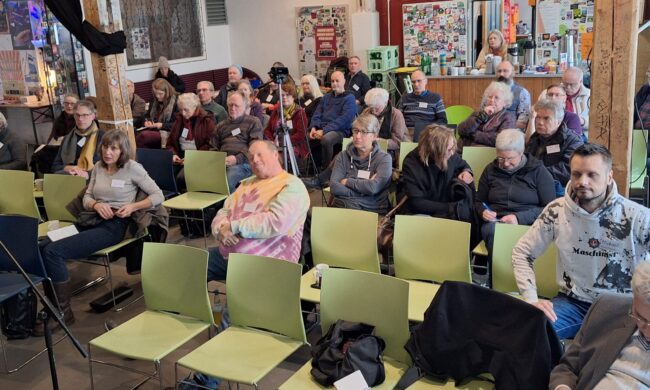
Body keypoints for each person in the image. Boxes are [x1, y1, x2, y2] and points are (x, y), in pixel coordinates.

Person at [512, 143, 650, 340]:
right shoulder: (556, 211)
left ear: (609, 177)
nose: (582, 182)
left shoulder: (637, 216)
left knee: (618, 357)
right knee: (528, 335)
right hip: (573, 303)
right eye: (577, 174)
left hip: (624, 306)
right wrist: (532, 299)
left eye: (592, 175)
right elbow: (522, 252)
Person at [38, 130, 164, 332]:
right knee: (43, 245)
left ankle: (63, 313)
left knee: (54, 252)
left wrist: (133, 207)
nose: (108, 152)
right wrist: (96, 205)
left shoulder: (133, 168)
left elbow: (158, 196)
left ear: (122, 150)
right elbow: (86, 198)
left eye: (113, 148)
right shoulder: (98, 167)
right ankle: (53, 308)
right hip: (91, 219)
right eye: (105, 147)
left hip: (115, 225)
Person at [207, 140, 309, 282]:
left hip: (267, 262)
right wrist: (221, 230)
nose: (255, 160)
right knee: (190, 264)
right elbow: (224, 211)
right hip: (230, 255)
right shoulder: (245, 183)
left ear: (275, 155)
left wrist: (234, 227)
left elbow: (275, 221)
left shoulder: (292, 186)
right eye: (251, 157)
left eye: (260, 155)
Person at [549, 260, 650, 390]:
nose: (647, 331)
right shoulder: (607, 310)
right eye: (640, 317)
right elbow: (568, 367)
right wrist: (562, 387)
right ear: (634, 298)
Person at [476, 129, 555, 265]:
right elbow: (478, 201)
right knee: (492, 231)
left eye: (510, 159)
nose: (505, 163)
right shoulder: (490, 170)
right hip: (497, 223)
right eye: (501, 158)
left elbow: (551, 208)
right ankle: (499, 276)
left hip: (528, 223)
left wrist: (519, 218)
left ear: (521, 152)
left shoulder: (538, 171)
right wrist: (483, 211)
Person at [399, 125, 474, 217]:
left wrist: (466, 172)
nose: (452, 153)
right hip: (423, 211)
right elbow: (417, 203)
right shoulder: (411, 163)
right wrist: (451, 208)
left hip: (447, 208)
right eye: (449, 150)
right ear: (436, 151)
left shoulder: (450, 153)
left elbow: (463, 164)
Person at [329, 113, 393, 214]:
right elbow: (334, 187)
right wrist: (363, 191)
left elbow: (373, 187)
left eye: (363, 132)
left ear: (374, 136)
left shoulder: (384, 159)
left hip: (373, 209)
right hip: (346, 205)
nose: (358, 136)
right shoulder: (343, 156)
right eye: (355, 131)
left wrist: (347, 182)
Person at [525, 99, 583, 196]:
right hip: (533, 185)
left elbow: (566, 170)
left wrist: (535, 174)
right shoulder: (535, 138)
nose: (540, 122)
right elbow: (526, 161)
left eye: (546, 118)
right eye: (538, 117)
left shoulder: (573, 141)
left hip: (560, 189)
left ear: (558, 122)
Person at [210, 91, 263, 193]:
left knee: (227, 181)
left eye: (236, 105)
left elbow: (254, 148)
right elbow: (213, 146)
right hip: (222, 163)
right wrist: (219, 160)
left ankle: (228, 207)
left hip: (244, 163)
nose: (233, 108)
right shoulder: (221, 126)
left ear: (244, 106)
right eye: (230, 105)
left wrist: (236, 159)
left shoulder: (253, 122)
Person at [166, 93, 216, 189]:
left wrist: (192, 157)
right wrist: (173, 154)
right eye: (181, 110)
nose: (183, 113)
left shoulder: (206, 120)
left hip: (198, 158)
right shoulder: (179, 120)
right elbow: (170, 143)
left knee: (180, 178)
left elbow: (210, 145)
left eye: (186, 110)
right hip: (180, 158)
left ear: (195, 107)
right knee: (165, 174)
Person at [309, 70, 356, 169]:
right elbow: (317, 113)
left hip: (340, 130)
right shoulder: (326, 97)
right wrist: (314, 127)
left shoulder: (349, 98)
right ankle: (313, 168)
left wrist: (324, 130)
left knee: (327, 139)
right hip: (323, 128)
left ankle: (326, 170)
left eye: (337, 81)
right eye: (332, 81)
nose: (334, 83)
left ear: (344, 82)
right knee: (307, 136)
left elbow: (344, 120)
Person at [52, 100, 105, 179]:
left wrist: (88, 174)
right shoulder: (68, 138)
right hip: (71, 178)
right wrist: (67, 168)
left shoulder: (102, 137)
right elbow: (55, 166)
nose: (80, 119)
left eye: (85, 115)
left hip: (94, 178)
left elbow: (108, 165)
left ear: (93, 116)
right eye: (77, 115)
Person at [458, 81, 516, 148]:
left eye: (496, 98)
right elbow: (461, 130)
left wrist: (474, 135)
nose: (491, 100)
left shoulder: (508, 117)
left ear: (505, 102)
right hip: (463, 150)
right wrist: (480, 117)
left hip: (487, 154)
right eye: (490, 97)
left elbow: (501, 139)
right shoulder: (479, 112)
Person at [31, 94, 79, 175]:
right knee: (39, 154)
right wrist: (48, 144)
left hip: (73, 146)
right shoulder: (59, 119)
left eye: (72, 104)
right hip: (58, 145)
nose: (69, 106)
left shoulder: (80, 118)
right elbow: (53, 136)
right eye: (66, 103)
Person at [263, 82, 309, 163]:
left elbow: (300, 135)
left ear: (293, 96)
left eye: (287, 95)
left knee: (276, 160)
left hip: (293, 146)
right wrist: (271, 142)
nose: (284, 97)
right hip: (275, 144)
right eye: (282, 95)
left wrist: (281, 143)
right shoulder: (277, 110)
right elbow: (267, 130)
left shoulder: (300, 112)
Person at [364, 87, 408, 155]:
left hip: (389, 151)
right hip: (368, 146)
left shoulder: (396, 115)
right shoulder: (367, 111)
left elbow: (397, 142)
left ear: (385, 103)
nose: (373, 111)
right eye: (371, 107)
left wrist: (379, 142)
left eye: (377, 108)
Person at [136, 78, 178, 149]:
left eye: (160, 94)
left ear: (167, 92)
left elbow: (177, 124)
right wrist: (147, 121)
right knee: (135, 133)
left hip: (167, 132)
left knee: (143, 136)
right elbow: (147, 115)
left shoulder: (176, 102)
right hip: (154, 129)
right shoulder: (154, 100)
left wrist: (162, 125)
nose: (157, 96)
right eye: (155, 93)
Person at [495, 61, 531, 129]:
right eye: (499, 71)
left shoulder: (522, 93)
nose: (501, 74)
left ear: (513, 73)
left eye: (505, 71)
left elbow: (523, 123)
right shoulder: (490, 91)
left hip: (511, 131)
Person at [560, 67, 590, 133]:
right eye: (565, 83)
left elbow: (597, 122)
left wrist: (583, 121)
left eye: (572, 84)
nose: (568, 87)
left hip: (581, 134)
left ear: (581, 82)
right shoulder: (551, 93)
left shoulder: (589, 96)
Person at [634, 63, 650, 129]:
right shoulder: (645, 88)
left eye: (649, 72)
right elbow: (635, 108)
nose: (647, 74)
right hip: (637, 135)